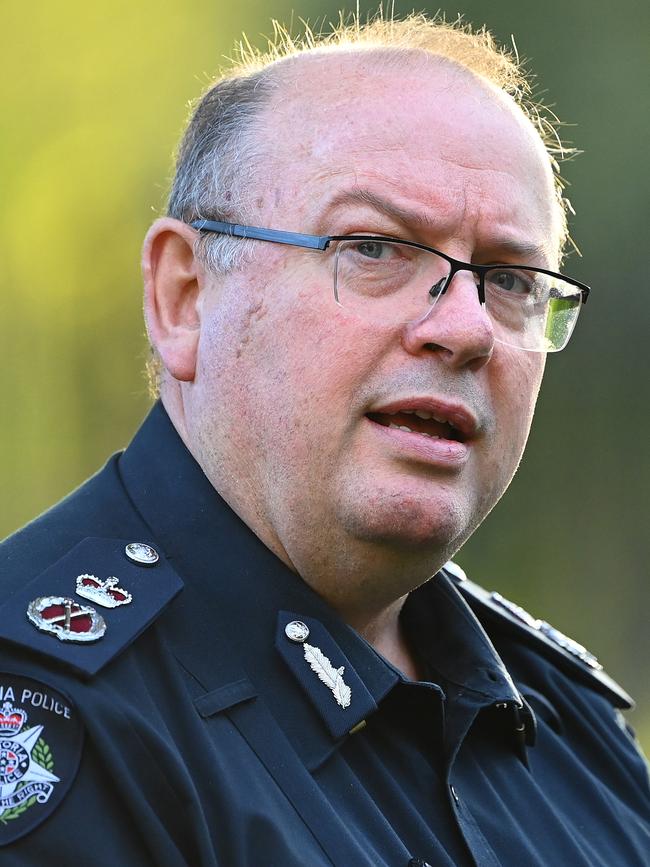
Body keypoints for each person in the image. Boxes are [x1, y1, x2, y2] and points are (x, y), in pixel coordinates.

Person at [0, 12, 648, 866]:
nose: (466, 328)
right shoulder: (49, 713)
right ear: (185, 298)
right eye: (375, 247)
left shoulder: (571, 728)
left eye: (510, 279)